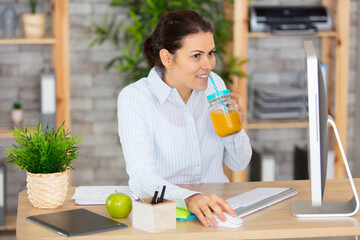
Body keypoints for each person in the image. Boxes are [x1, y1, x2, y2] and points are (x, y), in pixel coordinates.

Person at [117, 9, 252, 227]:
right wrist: (190, 199)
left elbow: (239, 163)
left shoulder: (214, 84)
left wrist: (236, 128)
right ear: (167, 58)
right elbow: (142, 177)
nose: (208, 64)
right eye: (196, 56)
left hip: (217, 212)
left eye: (211, 53)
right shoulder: (135, 99)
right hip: (166, 216)